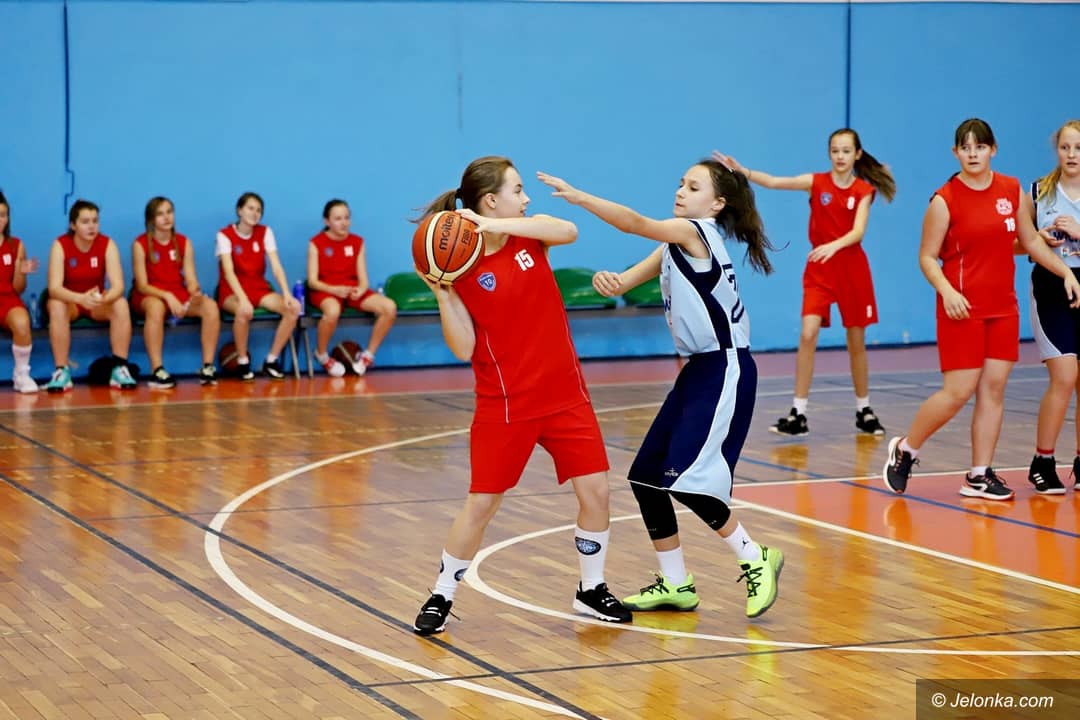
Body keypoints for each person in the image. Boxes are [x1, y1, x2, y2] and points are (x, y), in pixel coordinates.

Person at [539, 159, 785, 619]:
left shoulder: (696, 231)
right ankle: (676, 582)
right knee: (646, 477)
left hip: (725, 368)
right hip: (698, 371)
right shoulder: (677, 241)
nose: (681, 191)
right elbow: (630, 277)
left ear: (716, 204)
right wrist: (612, 282)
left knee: (687, 481)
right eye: (681, 183)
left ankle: (755, 556)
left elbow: (634, 223)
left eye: (693, 187)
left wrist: (581, 198)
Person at [412, 156, 631, 635]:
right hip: (506, 402)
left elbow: (569, 229)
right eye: (518, 190)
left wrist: (495, 225)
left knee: (596, 491)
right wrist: (444, 294)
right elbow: (463, 347)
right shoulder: (461, 264)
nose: (527, 197)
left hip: (565, 394)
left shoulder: (530, 234)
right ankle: (442, 594)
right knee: (482, 504)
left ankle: (591, 588)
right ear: (491, 199)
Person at [884, 118, 1080, 500]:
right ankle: (906, 448)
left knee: (993, 389)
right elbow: (926, 257)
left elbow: (1030, 242)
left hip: (1003, 308)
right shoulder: (944, 200)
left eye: (980, 147)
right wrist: (947, 292)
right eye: (966, 147)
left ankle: (979, 474)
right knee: (958, 392)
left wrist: (1065, 273)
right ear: (956, 153)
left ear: (993, 150)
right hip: (962, 307)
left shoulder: (1011, 190)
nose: (973, 154)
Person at [714, 129, 896, 437]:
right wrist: (743, 171)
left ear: (857, 155)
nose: (840, 156)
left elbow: (858, 232)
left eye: (846, 151)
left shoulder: (863, 191)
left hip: (852, 270)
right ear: (829, 153)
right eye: (835, 150)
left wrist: (833, 246)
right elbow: (775, 181)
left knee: (856, 342)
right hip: (820, 270)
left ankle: (864, 410)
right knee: (808, 333)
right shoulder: (816, 182)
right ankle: (798, 413)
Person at [1027, 120, 1080, 494]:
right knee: (1063, 376)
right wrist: (1038, 239)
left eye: (1078, 148)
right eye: (1065, 147)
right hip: (1052, 288)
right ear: (1056, 149)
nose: (1072, 154)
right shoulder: (1037, 193)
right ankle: (1042, 461)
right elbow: (1018, 244)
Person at [44, 200, 137, 392]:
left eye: (95, 221)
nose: (92, 226)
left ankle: (119, 368)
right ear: (73, 225)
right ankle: (62, 371)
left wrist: (104, 298)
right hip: (71, 302)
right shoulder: (60, 245)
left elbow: (118, 286)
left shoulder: (107, 244)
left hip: (96, 302)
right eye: (85, 222)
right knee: (56, 305)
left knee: (120, 304)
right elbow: (54, 288)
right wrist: (80, 298)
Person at [132, 197, 221, 388]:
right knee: (156, 308)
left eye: (169, 212)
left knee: (210, 307)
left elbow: (191, 279)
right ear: (151, 219)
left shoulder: (184, 242)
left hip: (177, 292)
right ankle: (157, 371)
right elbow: (142, 285)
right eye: (160, 214)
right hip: (150, 295)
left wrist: (194, 291)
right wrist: (167, 296)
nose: (166, 217)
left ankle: (207, 368)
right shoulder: (140, 244)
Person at [306, 199, 397, 376]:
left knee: (389, 307)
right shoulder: (315, 243)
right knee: (332, 311)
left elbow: (363, 280)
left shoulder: (357, 242)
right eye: (338, 218)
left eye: (347, 218)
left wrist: (360, 290)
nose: (344, 222)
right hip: (326, 290)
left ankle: (367, 356)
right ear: (327, 221)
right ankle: (322, 355)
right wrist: (335, 290)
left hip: (351, 290)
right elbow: (312, 281)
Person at [215, 192, 300, 380]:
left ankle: (271, 360)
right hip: (232, 291)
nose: (255, 213)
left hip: (258, 288)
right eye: (250, 208)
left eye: (259, 210)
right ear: (239, 210)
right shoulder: (224, 235)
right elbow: (228, 272)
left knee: (293, 308)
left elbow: (276, 266)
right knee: (244, 311)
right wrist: (243, 300)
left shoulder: (265, 232)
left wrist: (286, 293)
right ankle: (243, 361)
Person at [0, 191, 40, 393]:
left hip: (7, 299)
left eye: (3, 215)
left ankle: (21, 375)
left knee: (22, 323)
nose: (0, 220)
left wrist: (21, 271)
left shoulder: (16, 245)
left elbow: (18, 288)